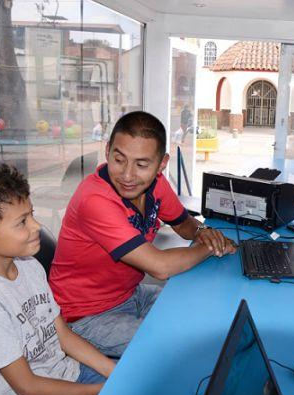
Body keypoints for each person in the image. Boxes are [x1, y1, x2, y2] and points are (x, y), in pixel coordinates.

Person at [49, 111, 236, 357]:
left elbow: (182, 224)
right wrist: (209, 247)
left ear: (161, 165)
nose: (127, 175)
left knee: (206, 316)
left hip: (131, 294)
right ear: (107, 151)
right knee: (180, 345)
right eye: (119, 160)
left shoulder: (156, 184)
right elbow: (160, 267)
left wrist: (203, 231)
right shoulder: (94, 200)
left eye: (141, 165)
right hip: (84, 317)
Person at [0, 163, 116, 395]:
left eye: (31, 214)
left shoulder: (28, 265)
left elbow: (63, 336)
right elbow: (26, 387)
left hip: (65, 375)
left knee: (142, 388)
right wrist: (98, 392)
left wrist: (115, 373)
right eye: (22, 222)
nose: (36, 226)